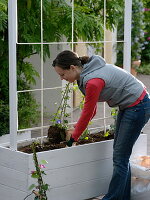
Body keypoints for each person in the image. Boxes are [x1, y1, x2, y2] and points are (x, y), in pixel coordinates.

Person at [52, 50, 150, 200]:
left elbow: (87, 112)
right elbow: (92, 111)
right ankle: (122, 197)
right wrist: (76, 133)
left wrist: (74, 137)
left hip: (138, 105)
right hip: (131, 104)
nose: (62, 78)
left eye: (62, 74)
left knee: (120, 158)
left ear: (72, 68)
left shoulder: (93, 81)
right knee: (120, 156)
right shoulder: (86, 75)